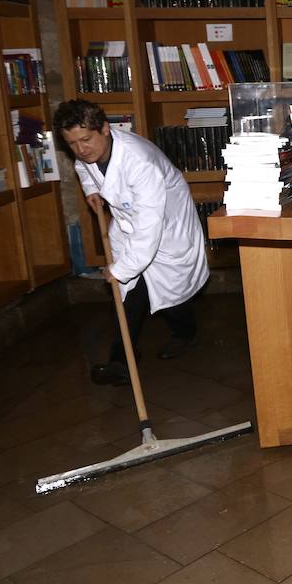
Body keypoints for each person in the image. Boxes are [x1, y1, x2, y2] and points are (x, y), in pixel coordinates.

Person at [53, 100, 209, 386]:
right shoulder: (87, 152)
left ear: (105, 129)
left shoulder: (140, 163)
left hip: (166, 227)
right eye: (72, 143)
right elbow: (84, 166)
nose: (80, 149)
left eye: (86, 139)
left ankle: (184, 334)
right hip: (130, 224)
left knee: (159, 291)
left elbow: (149, 229)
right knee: (133, 294)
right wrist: (92, 190)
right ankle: (122, 361)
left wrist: (121, 268)